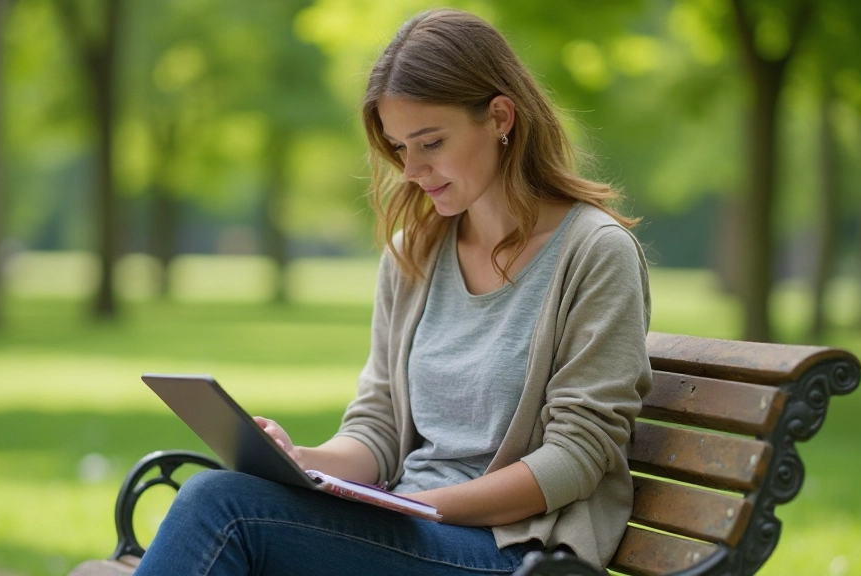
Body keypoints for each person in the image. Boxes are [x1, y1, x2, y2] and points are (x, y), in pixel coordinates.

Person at [133, 8, 652, 576]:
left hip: (513, 551)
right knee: (228, 494)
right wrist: (304, 464)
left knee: (221, 508)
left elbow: (574, 459)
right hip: (407, 528)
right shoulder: (417, 251)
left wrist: (409, 507)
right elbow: (377, 427)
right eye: (400, 148)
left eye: (430, 142)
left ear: (500, 116)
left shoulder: (595, 253)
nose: (411, 170)